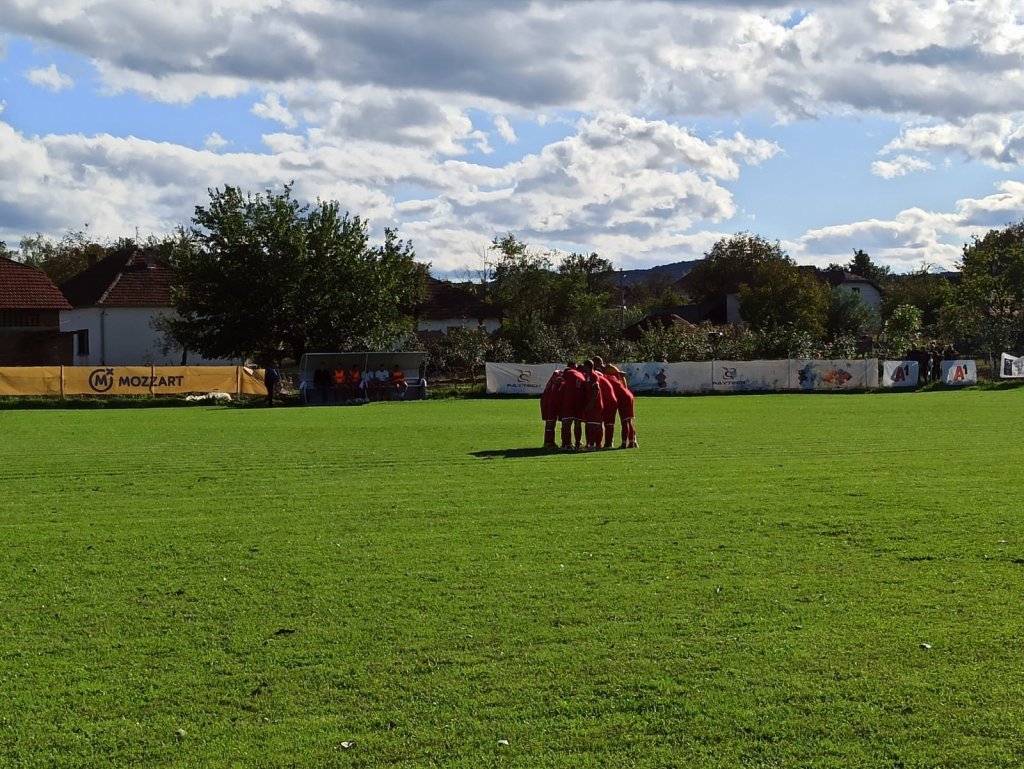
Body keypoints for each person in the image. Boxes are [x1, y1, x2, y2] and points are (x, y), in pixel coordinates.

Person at [605, 367, 638, 448]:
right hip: (627, 395)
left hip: (623, 397)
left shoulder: (605, 377)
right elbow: (622, 377)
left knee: (625, 421)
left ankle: (624, 444)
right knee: (628, 421)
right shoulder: (614, 377)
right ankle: (633, 442)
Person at [559, 362, 586, 450]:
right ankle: (578, 444)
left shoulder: (568, 371)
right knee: (578, 424)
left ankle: (566, 444)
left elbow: (559, 380)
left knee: (566, 424)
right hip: (579, 402)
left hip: (569, 401)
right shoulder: (582, 376)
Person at [540, 368, 564, 449]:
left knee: (550, 422)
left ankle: (548, 442)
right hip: (550, 402)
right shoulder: (559, 376)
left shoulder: (555, 376)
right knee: (550, 422)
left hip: (547, 401)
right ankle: (549, 443)